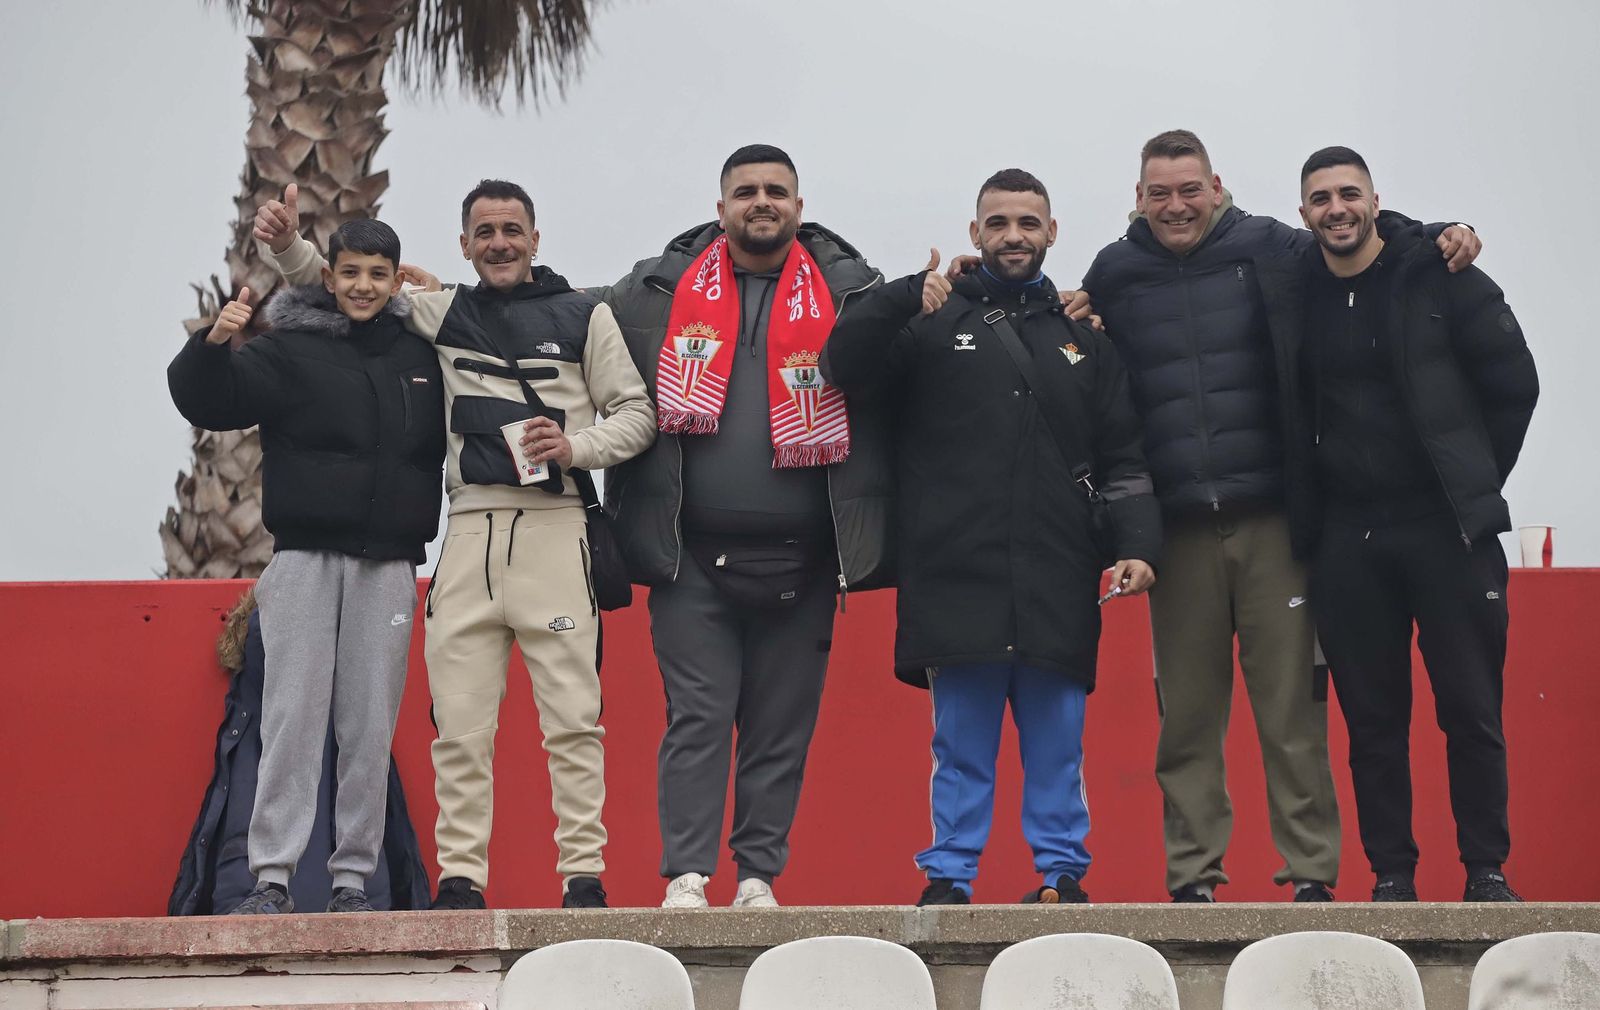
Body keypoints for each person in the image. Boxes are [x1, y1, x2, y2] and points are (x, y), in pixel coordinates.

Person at [1080, 129, 1483, 903]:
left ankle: (1310, 876)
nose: (1176, 205)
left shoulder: (1270, 245)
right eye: (1160, 192)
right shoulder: (1114, 272)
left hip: (1275, 524)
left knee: (1293, 715)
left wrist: (1439, 231)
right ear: (1139, 197)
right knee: (1186, 721)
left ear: (1216, 186)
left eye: (1189, 189)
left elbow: (1356, 237)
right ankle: (1193, 879)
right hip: (1177, 534)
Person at [256, 179, 656, 909]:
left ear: (535, 238)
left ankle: (583, 879)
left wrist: (575, 447)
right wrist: (287, 245)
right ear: (464, 244)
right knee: (459, 727)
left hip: (556, 527)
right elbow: (346, 284)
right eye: (485, 232)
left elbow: (637, 413)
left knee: (573, 720)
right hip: (467, 534)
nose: (500, 243)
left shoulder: (584, 313)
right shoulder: (440, 311)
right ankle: (462, 881)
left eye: (512, 230)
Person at [823, 169, 1161, 905]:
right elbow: (841, 365)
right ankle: (949, 877)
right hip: (954, 572)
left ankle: (1061, 876)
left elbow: (1125, 456)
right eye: (999, 222)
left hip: (1058, 572)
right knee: (960, 749)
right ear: (975, 232)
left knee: (1058, 748)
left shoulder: (1084, 339)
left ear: (1052, 232)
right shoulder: (927, 323)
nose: (1014, 236)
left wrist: (1136, 544)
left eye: (1028, 223)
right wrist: (902, 294)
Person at [593, 144, 893, 908]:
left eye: (777, 191)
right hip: (690, 555)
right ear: (721, 205)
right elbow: (567, 315)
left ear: (799, 205)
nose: (763, 202)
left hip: (807, 559)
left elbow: (922, 352)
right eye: (747, 191)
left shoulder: (854, 294)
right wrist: (446, 296)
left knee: (779, 729)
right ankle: (688, 876)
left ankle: (758, 876)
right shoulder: (654, 292)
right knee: (697, 717)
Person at [168, 219, 444, 914]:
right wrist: (214, 343)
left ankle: (353, 883)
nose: (363, 286)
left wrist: (443, 300)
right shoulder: (289, 348)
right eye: (350, 272)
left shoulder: (423, 353)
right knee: (291, 718)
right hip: (302, 561)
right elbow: (209, 400)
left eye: (377, 274)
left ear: (397, 281)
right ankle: (272, 878)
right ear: (328, 277)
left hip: (388, 566)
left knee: (368, 727)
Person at [1288, 146, 1537, 902]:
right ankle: (1392, 876)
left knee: (1471, 709)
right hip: (1347, 539)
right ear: (1304, 214)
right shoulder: (1292, 288)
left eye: (1349, 194)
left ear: (1374, 201)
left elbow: (1516, 383)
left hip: (1447, 530)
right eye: (1321, 198)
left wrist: (1472, 477)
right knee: (1372, 723)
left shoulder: (1440, 272)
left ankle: (1486, 870)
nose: (1337, 209)